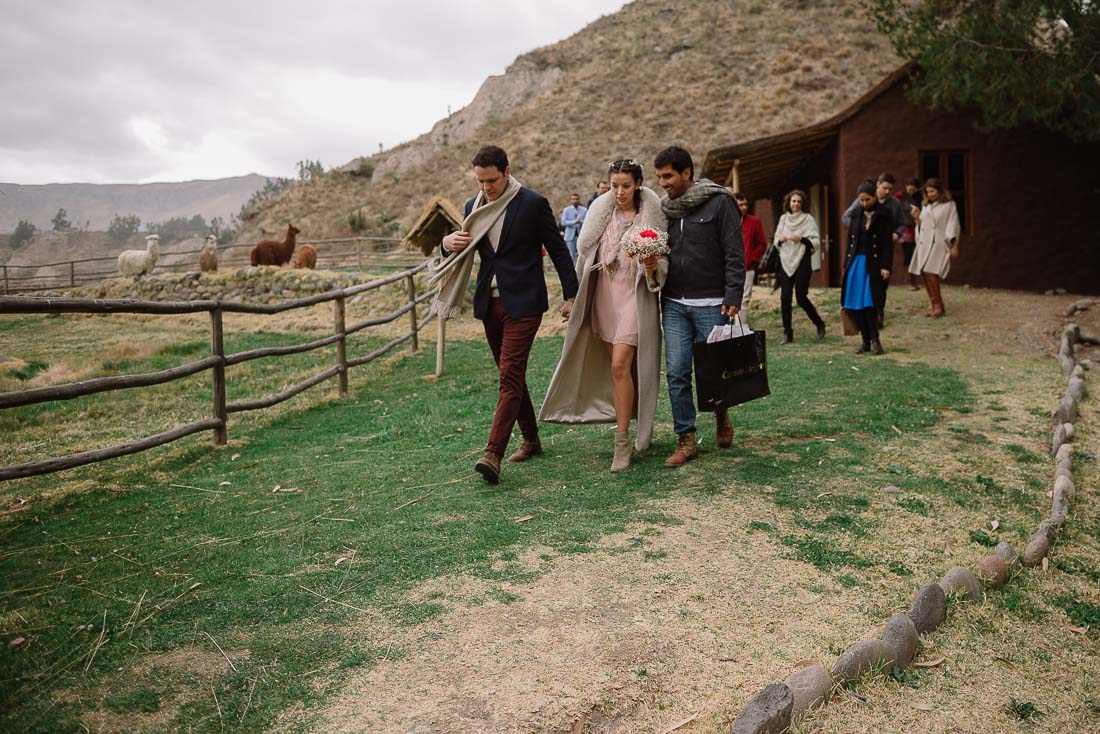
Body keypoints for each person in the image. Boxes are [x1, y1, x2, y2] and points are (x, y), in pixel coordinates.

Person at [433, 145, 579, 484]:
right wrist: (445, 243)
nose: (486, 188)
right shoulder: (474, 207)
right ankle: (531, 439)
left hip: (525, 302)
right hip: (490, 304)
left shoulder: (532, 203)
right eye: (481, 181)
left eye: (492, 180)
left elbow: (558, 251)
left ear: (507, 171)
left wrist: (571, 294)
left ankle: (493, 453)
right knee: (509, 374)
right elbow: (463, 244)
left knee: (509, 374)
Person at [540, 159, 667, 472]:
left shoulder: (650, 216)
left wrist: (652, 266)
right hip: (604, 298)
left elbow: (663, 262)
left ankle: (621, 442)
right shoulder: (600, 214)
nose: (620, 192)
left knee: (620, 364)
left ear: (638, 183)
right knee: (619, 371)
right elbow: (586, 258)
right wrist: (572, 299)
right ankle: (627, 424)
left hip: (633, 299)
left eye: (626, 185)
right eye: (614, 186)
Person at [654, 146, 745, 468]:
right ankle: (686, 439)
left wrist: (733, 296)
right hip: (675, 303)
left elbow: (735, 251)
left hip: (712, 303)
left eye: (668, 176)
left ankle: (722, 417)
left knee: (714, 374)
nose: (663, 183)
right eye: (659, 177)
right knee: (677, 372)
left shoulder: (720, 202)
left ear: (687, 173)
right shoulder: (666, 208)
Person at [844, 173, 904, 328]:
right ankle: (866, 330)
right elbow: (847, 218)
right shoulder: (858, 208)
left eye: (890, 189)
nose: (887, 191)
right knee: (861, 295)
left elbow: (901, 224)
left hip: (880, 252)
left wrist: (896, 234)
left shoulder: (893, 206)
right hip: (860, 255)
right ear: (878, 186)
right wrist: (859, 230)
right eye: (885, 188)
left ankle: (879, 316)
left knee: (877, 290)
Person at [841, 179, 894, 354]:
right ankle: (865, 342)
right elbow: (851, 240)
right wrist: (847, 264)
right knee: (856, 306)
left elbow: (887, 243)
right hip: (856, 263)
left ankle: (876, 341)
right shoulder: (856, 213)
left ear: (875, 197)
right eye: (861, 200)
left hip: (874, 264)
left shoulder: (885, 214)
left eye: (867, 200)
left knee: (869, 305)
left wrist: (886, 266)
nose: (864, 203)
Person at [773, 189, 826, 344]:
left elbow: (816, 241)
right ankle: (787, 333)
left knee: (801, 297)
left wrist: (802, 238)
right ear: (789, 203)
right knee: (785, 297)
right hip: (785, 260)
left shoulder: (808, 219)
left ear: (802, 204)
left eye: (798, 201)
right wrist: (781, 239)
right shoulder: (783, 219)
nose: (795, 204)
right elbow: (776, 240)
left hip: (803, 260)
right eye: (793, 201)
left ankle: (819, 323)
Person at [909, 177, 960, 318]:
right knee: (925, 273)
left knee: (931, 272)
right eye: (928, 191)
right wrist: (917, 217)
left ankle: (938, 305)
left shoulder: (949, 205)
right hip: (924, 243)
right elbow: (922, 225)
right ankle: (934, 305)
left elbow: (953, 224)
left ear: (939, 190)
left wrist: (954, 245)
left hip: (938, 242)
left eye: (932, 191)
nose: (930, 194)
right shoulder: (925, 205)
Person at [733, 192, 767, 328]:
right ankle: (746, 327)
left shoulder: (754, 222)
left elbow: (762, 244)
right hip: (729, 268)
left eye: (745, 204)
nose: (744, 207)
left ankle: (739, 332)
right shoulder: (727, 221)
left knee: (744, 299)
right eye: (740, 205)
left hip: (748, 268)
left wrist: (751, 258)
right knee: (732, 300)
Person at [895, 177, 922, 290]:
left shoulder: (921, 197)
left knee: (918, 254)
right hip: (906, 229)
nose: (910, 189)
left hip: (919, 227)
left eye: (913, 187)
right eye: (909, 186)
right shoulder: (900, 196)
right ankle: (909, 280)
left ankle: (914, 280)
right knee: (908, 254)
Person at [561, 193, 587, 261]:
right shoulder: (566, 210)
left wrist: (580, 221)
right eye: (573, 199)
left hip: (581, 235)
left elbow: (587, 221)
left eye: (576, 199)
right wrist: (574, 222)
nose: (575, 201)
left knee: (581, 254)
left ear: (579, 200)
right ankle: (573, 270)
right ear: (571, 200)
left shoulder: (584, 210)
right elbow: (563, 222)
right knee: (572, 255)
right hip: (570, 236)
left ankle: (580, 270)